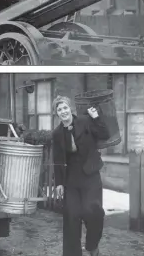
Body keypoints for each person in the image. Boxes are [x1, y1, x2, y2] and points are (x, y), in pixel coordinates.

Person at [23, 95, 109, 256]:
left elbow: (104, 134)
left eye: (65, 108)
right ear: (56, 113)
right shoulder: (57, 133)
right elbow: (58, 159)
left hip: (91, 175)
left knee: (94, 212)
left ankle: (92, 246)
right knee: (71, 216)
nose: (63, 112)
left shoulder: (85, 121)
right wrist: (60, 183)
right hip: (72, 178)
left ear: (70, 108)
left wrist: (96, 118)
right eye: (59, 109)